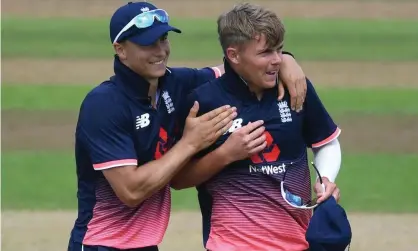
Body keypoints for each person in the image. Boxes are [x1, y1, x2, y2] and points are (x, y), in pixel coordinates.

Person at [67, 1, 308, 251]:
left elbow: (241, 66)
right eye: (148, 44)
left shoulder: (174, 83)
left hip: (145, 243)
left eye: (163, 39)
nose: (160, 51)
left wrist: (286, 61)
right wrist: (191, 143)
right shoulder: (104, 104)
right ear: (121, 50)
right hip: (102, 243)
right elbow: (131, 191)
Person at [172, 3, 342, 251]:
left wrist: (325, 178)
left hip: (299, 242)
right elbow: (178, 179)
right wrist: (225, 155)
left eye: (280, 50)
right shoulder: (204, 102)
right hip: (230, 245)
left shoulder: (295, 88)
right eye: (265, 53)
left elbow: (326, 142)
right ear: (234, 55)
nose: (277, 60)